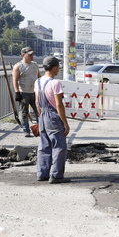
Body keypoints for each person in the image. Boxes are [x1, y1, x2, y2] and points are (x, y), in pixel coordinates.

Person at [35, 55, 71, 184]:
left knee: (44, 145)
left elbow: (37, 102)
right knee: (59, 146)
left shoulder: (38, 81)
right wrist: (65, 123)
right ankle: (56, 175)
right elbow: (59, 104)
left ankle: (42, 173)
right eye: (58, 67)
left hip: (43, 116)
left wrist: (41, 116)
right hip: (53, 116)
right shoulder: (55, 83)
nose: (59, 69)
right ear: (55, 67)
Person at [12, 46, 41, 137]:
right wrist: (17, 92)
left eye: (32, 54)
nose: (32, 56)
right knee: (24, 112)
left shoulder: (35, 65)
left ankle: (40, 129)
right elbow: (15, 80)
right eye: (29, 55)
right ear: (23, 55)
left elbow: (39, 77)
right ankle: (26, 130)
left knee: (39, 111)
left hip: (35, 92)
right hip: (24, 92)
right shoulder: (18, 66)